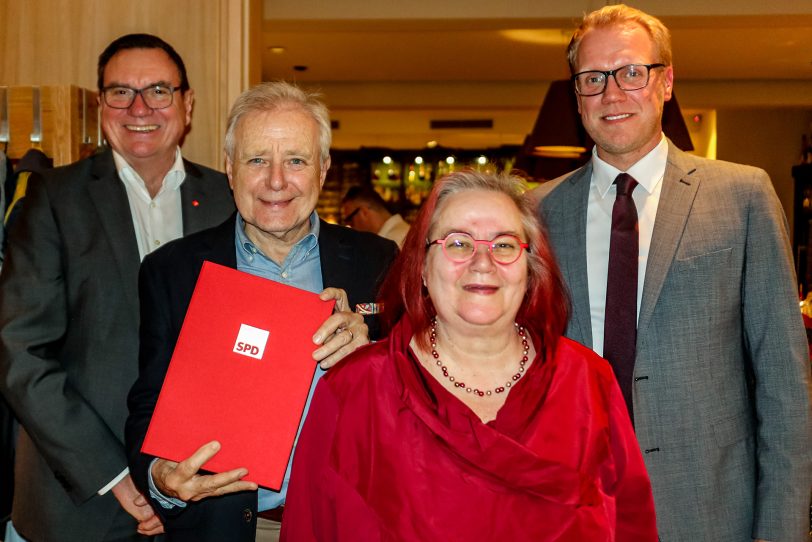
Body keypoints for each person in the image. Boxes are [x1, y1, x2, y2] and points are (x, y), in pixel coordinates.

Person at [533, 5, 812, 541]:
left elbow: (784, 387)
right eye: (593, 79)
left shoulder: (741, 196)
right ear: (577, 95)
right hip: (573, 511)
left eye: (631, 72)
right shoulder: (538, 213)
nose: (612, 94)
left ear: (665, 82)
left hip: (708, 512)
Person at [281, 170, 658, 541]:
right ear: (423, 268)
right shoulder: (353, 391)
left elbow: (633, 524)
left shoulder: (587, 381)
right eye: (458, 243)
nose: (482, 262)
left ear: (531, 269)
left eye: (504, 244)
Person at [125, 81, 398, 542]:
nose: (276, 181)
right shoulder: (172, 271)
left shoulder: (379, 260)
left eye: (295, 160)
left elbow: (423, 393)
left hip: (348, 523)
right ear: (230, 169)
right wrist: (160, 479)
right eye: (257, 160)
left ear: (323, 169)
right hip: (230, 528)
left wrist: (374, 350)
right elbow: (148, 401)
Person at [0, 34, 236, 542]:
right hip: (76, 504)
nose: (139, 108)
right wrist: (118, 475)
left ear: (187, 104)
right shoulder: (52, 200)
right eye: (120, 92)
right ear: (101, 103)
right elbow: (21, 355)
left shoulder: (230, 199)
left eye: (158, 90)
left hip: (203, 496)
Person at [341, 185, 410, 246]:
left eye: (350, 220)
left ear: (364, 212)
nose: (350, 226)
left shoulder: (393, 242)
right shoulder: (400, 234)